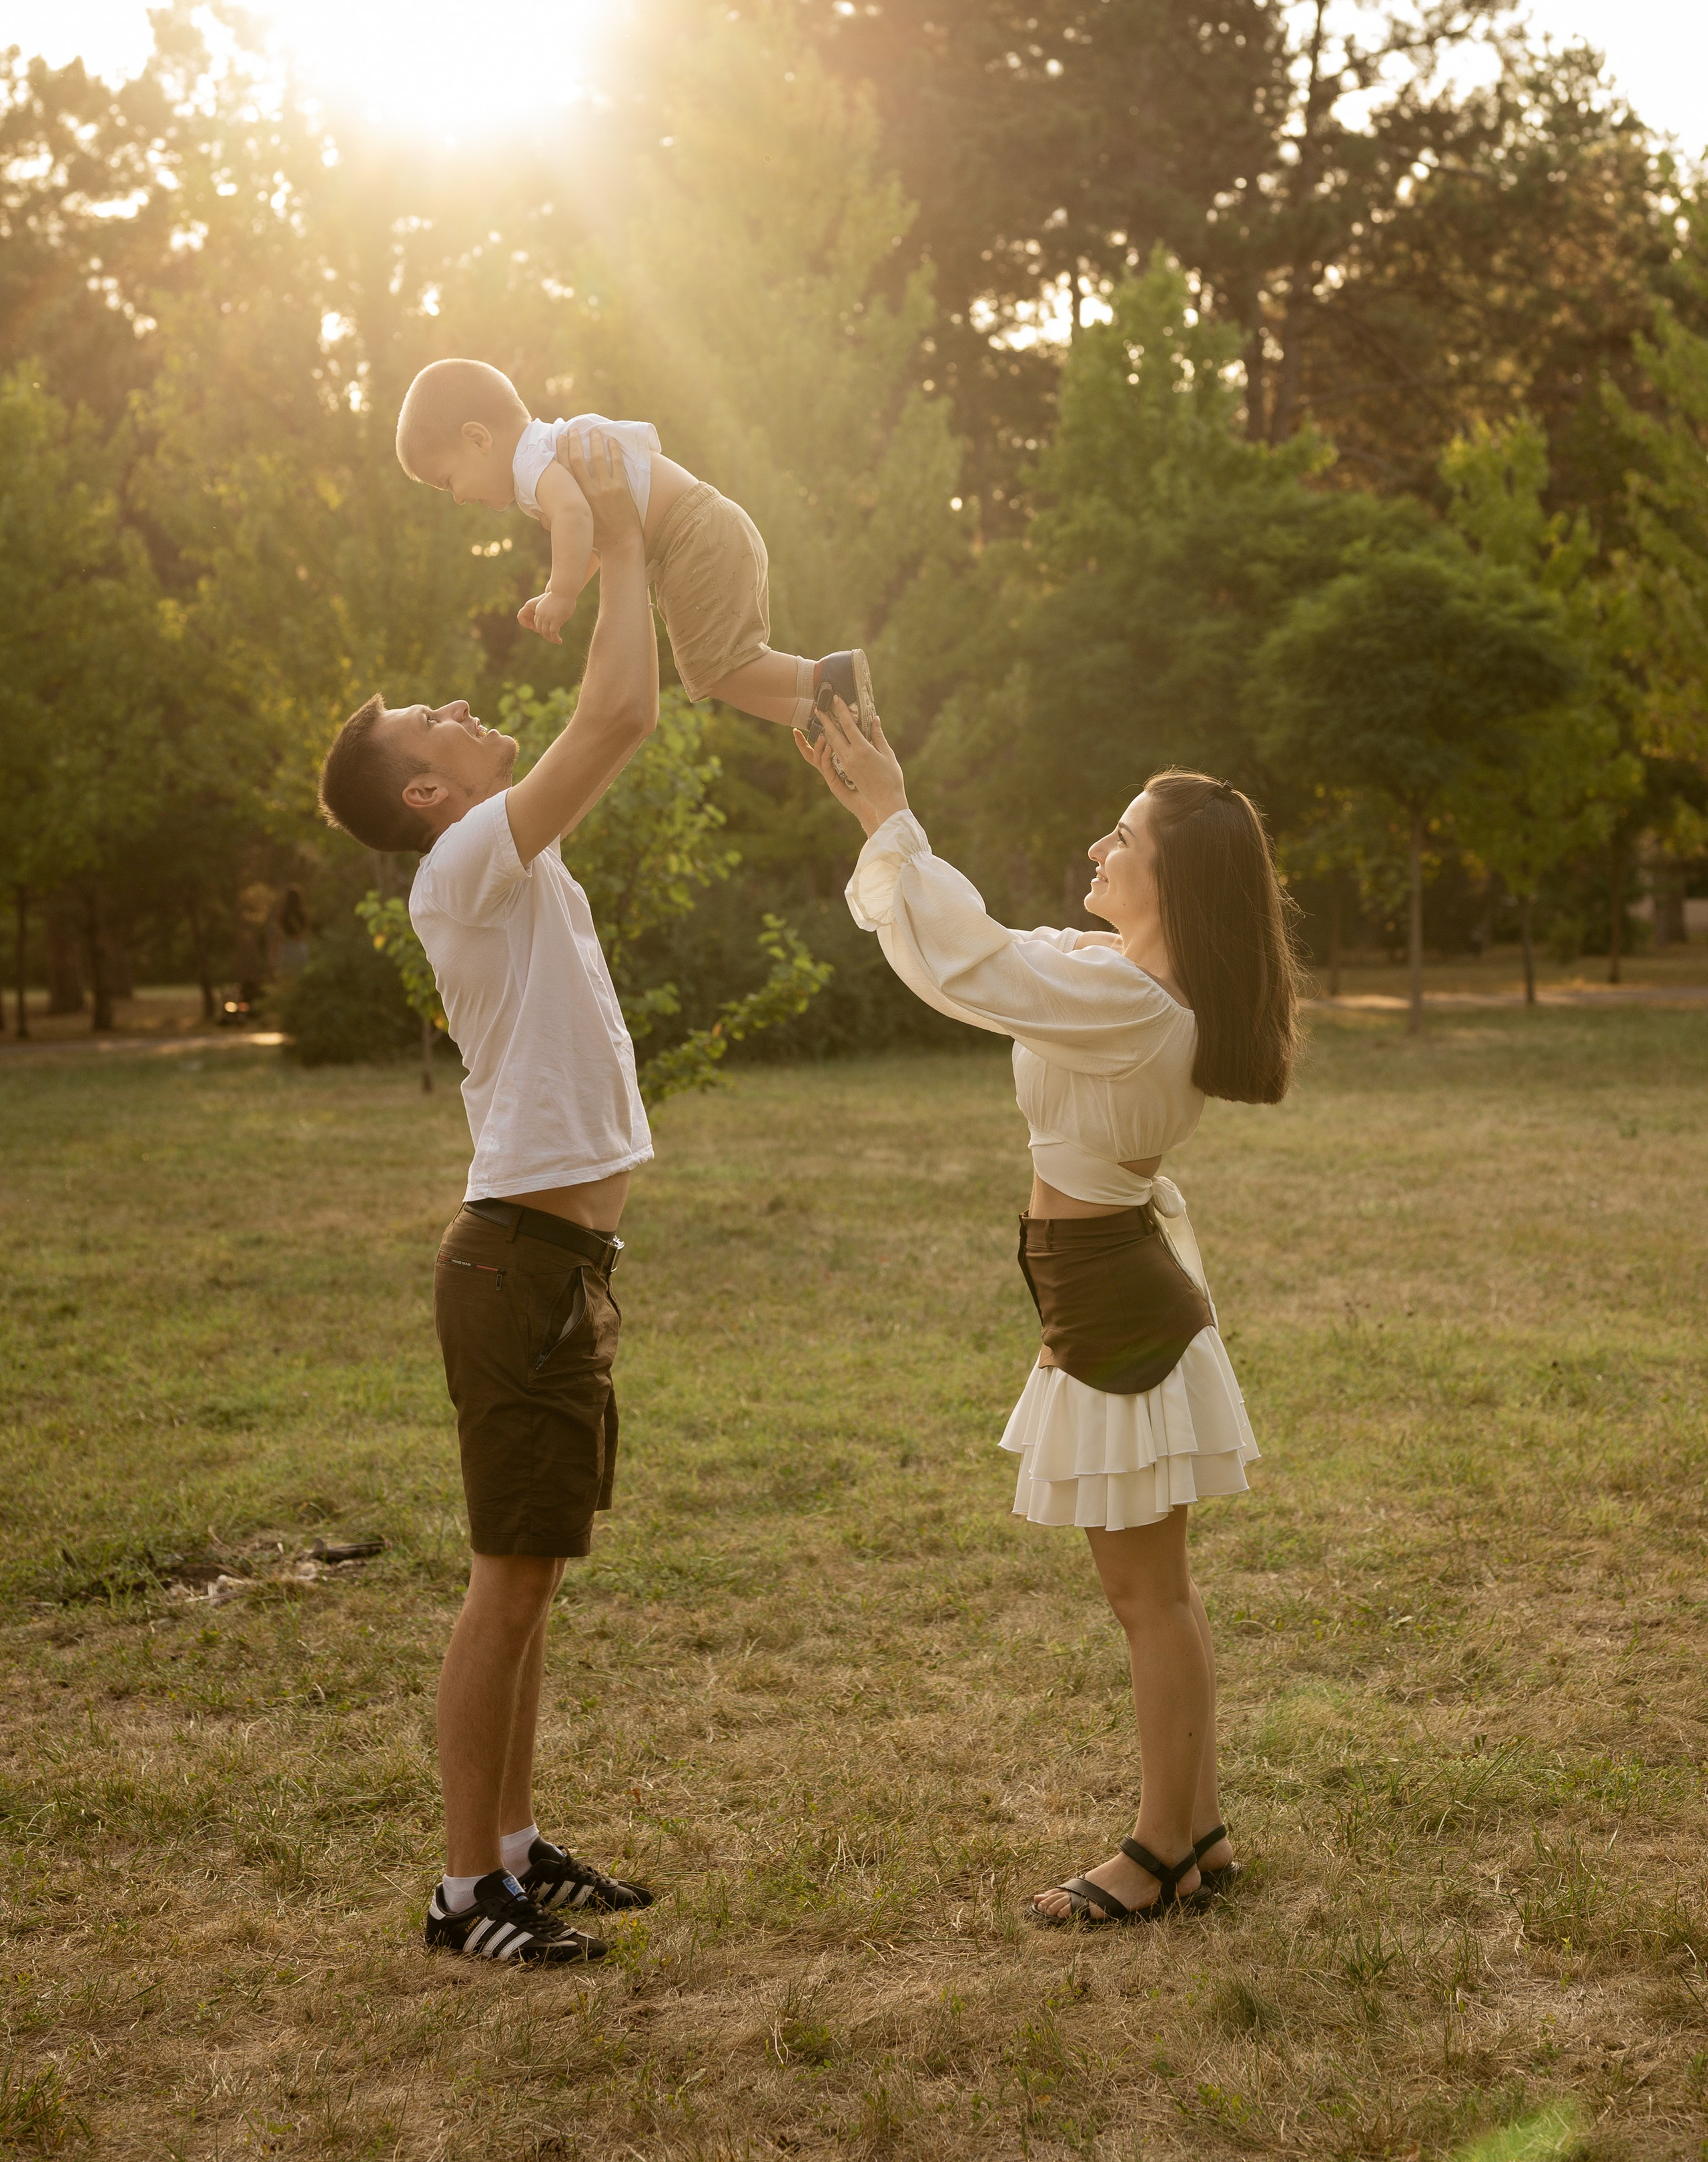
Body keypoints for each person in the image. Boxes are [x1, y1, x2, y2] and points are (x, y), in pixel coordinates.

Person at [797, 697, 1300, 1929]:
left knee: (1147, 1598)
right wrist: (886, 824)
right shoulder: (1114, 978)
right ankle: (1200, 1832)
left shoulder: (1133, 1004)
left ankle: (1161, 1850)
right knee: (1157, 1592)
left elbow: (978, 964)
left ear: (1174, 879)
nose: (1097, 848)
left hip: (1118, 1303)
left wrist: (890, 812)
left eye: (1123, 837)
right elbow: (975, 956)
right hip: (1104, 1288)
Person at [317, 429, 663, 1969]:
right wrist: (622, 539)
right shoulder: (461, 861)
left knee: (536, 1572)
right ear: (424, 787)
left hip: (556, 1261)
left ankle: (514, 1847)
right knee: (505, 1579)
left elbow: (606, 719)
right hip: (516, 1261)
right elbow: (621, 711)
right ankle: (465, 1893)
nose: (463, 708)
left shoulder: (505, 854)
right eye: (436, 719)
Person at [394, 356, 877, 757]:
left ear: (478, 439)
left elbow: (574, 517)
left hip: (690, 536)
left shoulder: (532, 460)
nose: (458, 499)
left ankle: (828, 676)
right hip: (699, 534)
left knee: (725, 665)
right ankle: (820, 715)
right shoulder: (541, 457)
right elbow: (594, 537)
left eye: (448, 482)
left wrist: (562, 593)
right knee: (710, 674)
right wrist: (559, 589)